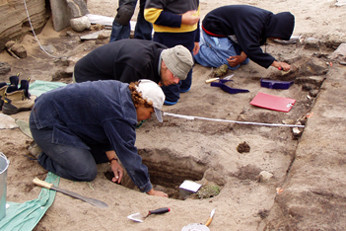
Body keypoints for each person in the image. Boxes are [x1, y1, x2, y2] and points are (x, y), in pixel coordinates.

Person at [29, 79, 168, 197]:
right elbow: (128, 154)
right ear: (142, 102)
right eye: (150, 112)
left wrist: (113, 160)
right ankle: (43, 154)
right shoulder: (120, 112)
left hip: (67, 121)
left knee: (102, 157)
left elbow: (104, 126)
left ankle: (58, 148)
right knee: (85, 171)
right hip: (45, 122)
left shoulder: (122, 92)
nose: (149, 117)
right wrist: (149, 190)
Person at [193, 5, 295, 71]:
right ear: (277, 29)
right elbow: (251, 48)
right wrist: (276, 63)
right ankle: (195, 50)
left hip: (232, 31)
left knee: (243, 60)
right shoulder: (253, 23)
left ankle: (209, 45)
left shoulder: (268, 22)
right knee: (228, 62)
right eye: (279, 37)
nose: (277, 38)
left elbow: (252, 42)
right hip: (214, 29)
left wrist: (242, 56)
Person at [73, 39, 194, 89]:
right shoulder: (138, 63)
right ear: (164, 65)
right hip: (86, 78)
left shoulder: (163, 54)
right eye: (175, 75)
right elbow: (122, 96)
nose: (176, 81)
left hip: (113, 74)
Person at [144, 0, 200, 105]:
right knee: (170, 67)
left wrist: (196, 38)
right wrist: (181, 19)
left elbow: (196, 11)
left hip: (189, 35)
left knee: (187, 62)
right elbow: (150, 14)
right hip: (168, 35)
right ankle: (170, 96)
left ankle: (183, 86)